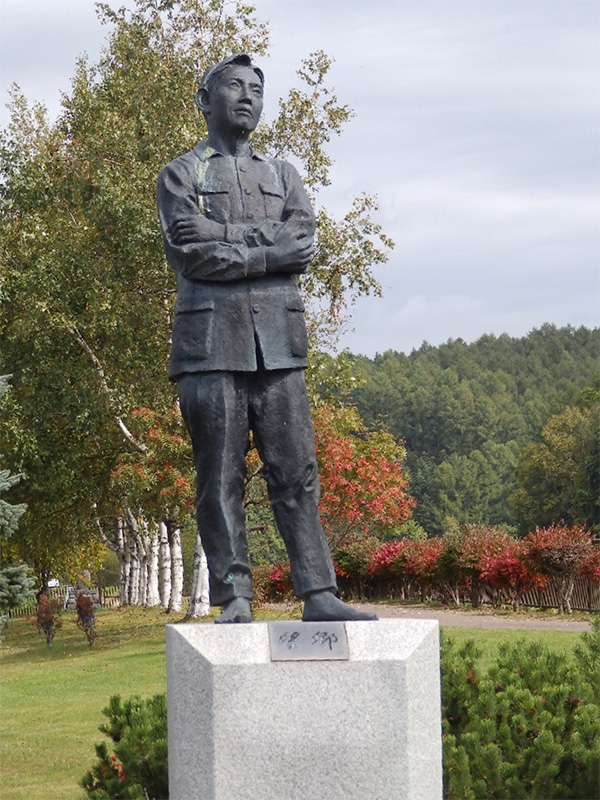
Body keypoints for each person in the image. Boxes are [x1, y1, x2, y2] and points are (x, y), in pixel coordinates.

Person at [157, 54, 376, 623]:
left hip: (279, 345)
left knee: (297, 471)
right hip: (210, 351)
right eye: (234, 86)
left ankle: (318, 593)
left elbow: (300, 245)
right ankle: (233, 597)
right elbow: (191, 254)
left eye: (257, 87)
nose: (248, 96)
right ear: (205, 100)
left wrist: (226, 235)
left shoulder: (284, 176)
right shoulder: (182, 176)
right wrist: (266, 251)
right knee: (220, 476)